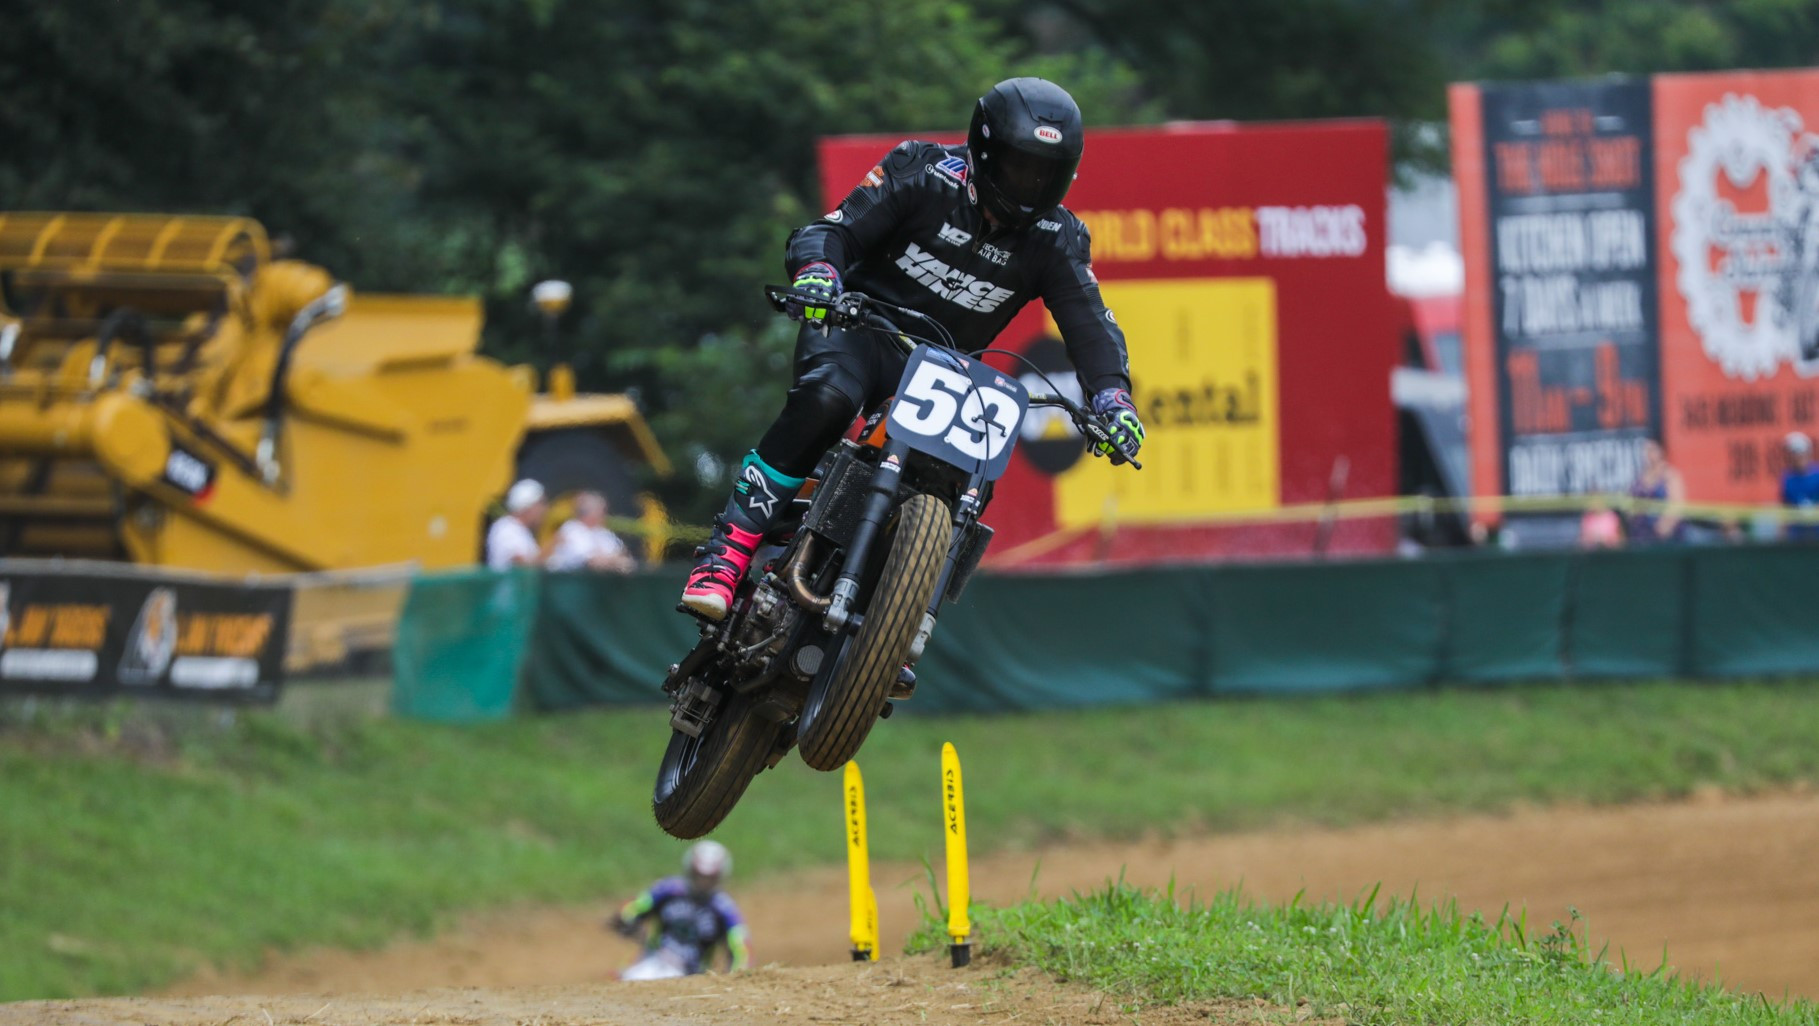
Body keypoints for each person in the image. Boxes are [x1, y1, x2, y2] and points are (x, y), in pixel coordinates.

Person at [680, 77, 1145, 619]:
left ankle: (904, 617)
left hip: (942, 368)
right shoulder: (920, 171)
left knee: (975, 467)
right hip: (858, 328)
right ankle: (725, 554)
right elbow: (833, 232)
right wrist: (819, 274)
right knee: (827, 399)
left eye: (1049, 172)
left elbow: (1092, 327)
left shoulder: (1059, 237)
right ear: (984, 149)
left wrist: (1113, 399)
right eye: (1021, 166)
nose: (1032, 185)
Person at [610, 840, 750, 979]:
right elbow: (634, 907)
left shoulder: (724, 908)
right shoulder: (668, 889)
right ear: (689, 870)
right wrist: (625, 919)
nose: (703, 883)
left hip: (692, 976)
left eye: (709, 878)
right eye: (698, 876)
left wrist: (734, 977)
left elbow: (741, 948)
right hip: (655, 962)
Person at [548, 491, 636, 572]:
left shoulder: (602, 532)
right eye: (601, 511)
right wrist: (614, 561)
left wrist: (616, 560)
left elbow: (625, 560)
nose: (604, 515)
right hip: (571, 583)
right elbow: (592, 561)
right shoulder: (571, 529)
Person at [1625, 440, 1684, 545]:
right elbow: (1630, 504)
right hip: (1640, 537)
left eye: (1652, 450)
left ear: (1661, 451)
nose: (1648, 454)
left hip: (1666, 537)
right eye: (1646, 450)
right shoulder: (1640, 478)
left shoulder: (1669, 476)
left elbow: (1676, 506)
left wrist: (1664, 527)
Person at [485, 478, 548, 569]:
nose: (543, 510)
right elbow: (522, 564)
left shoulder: (521, 530)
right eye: (540, 504)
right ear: (528, 506)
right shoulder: (505, 528)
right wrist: (554, 544)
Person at [1781, 431, 1819, 541]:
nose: (1796, 457)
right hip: (1797, 537)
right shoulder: (1787, 478)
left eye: (1799, 452)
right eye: (1793, 453)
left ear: (1807, 453)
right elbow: (1785, 506)